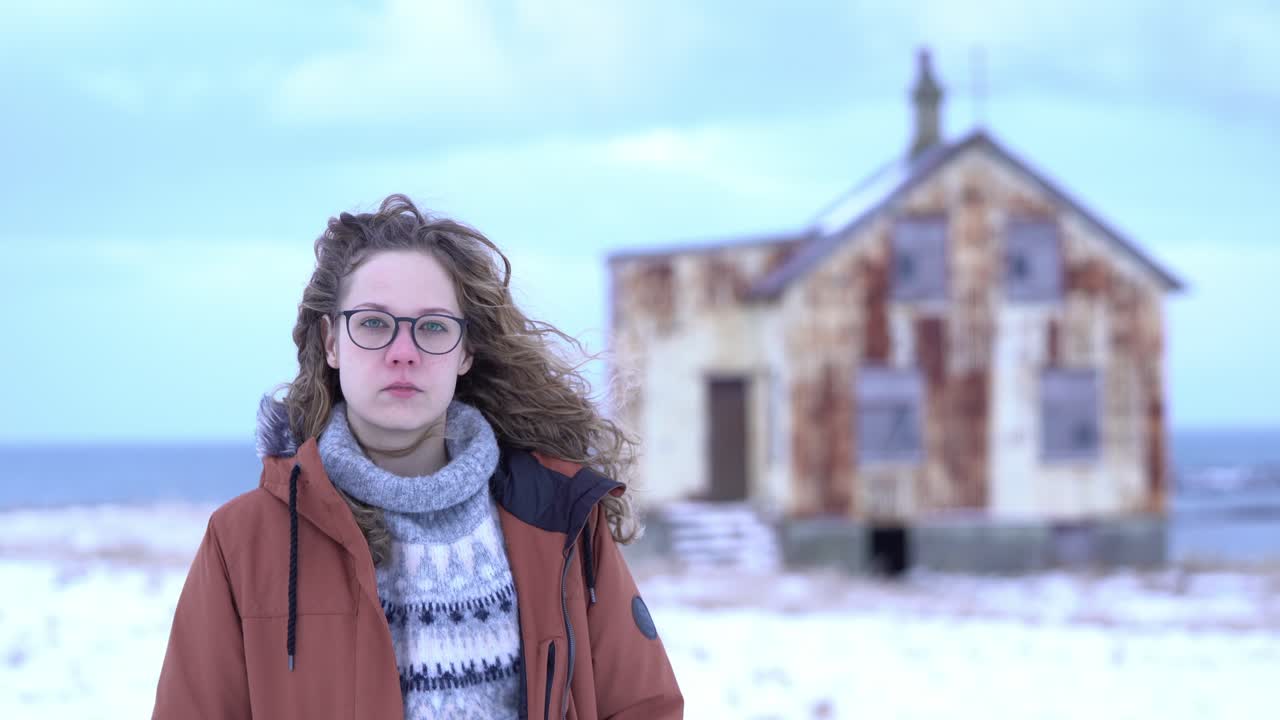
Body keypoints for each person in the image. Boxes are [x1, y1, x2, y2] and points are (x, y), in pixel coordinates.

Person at [152, 194, 683, 719]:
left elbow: (643, 707)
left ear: (465, 351)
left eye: (432, 326)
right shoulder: (242, 541)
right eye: (374, 323)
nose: (402, 351)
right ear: (331, 341)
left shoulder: (560, 518)